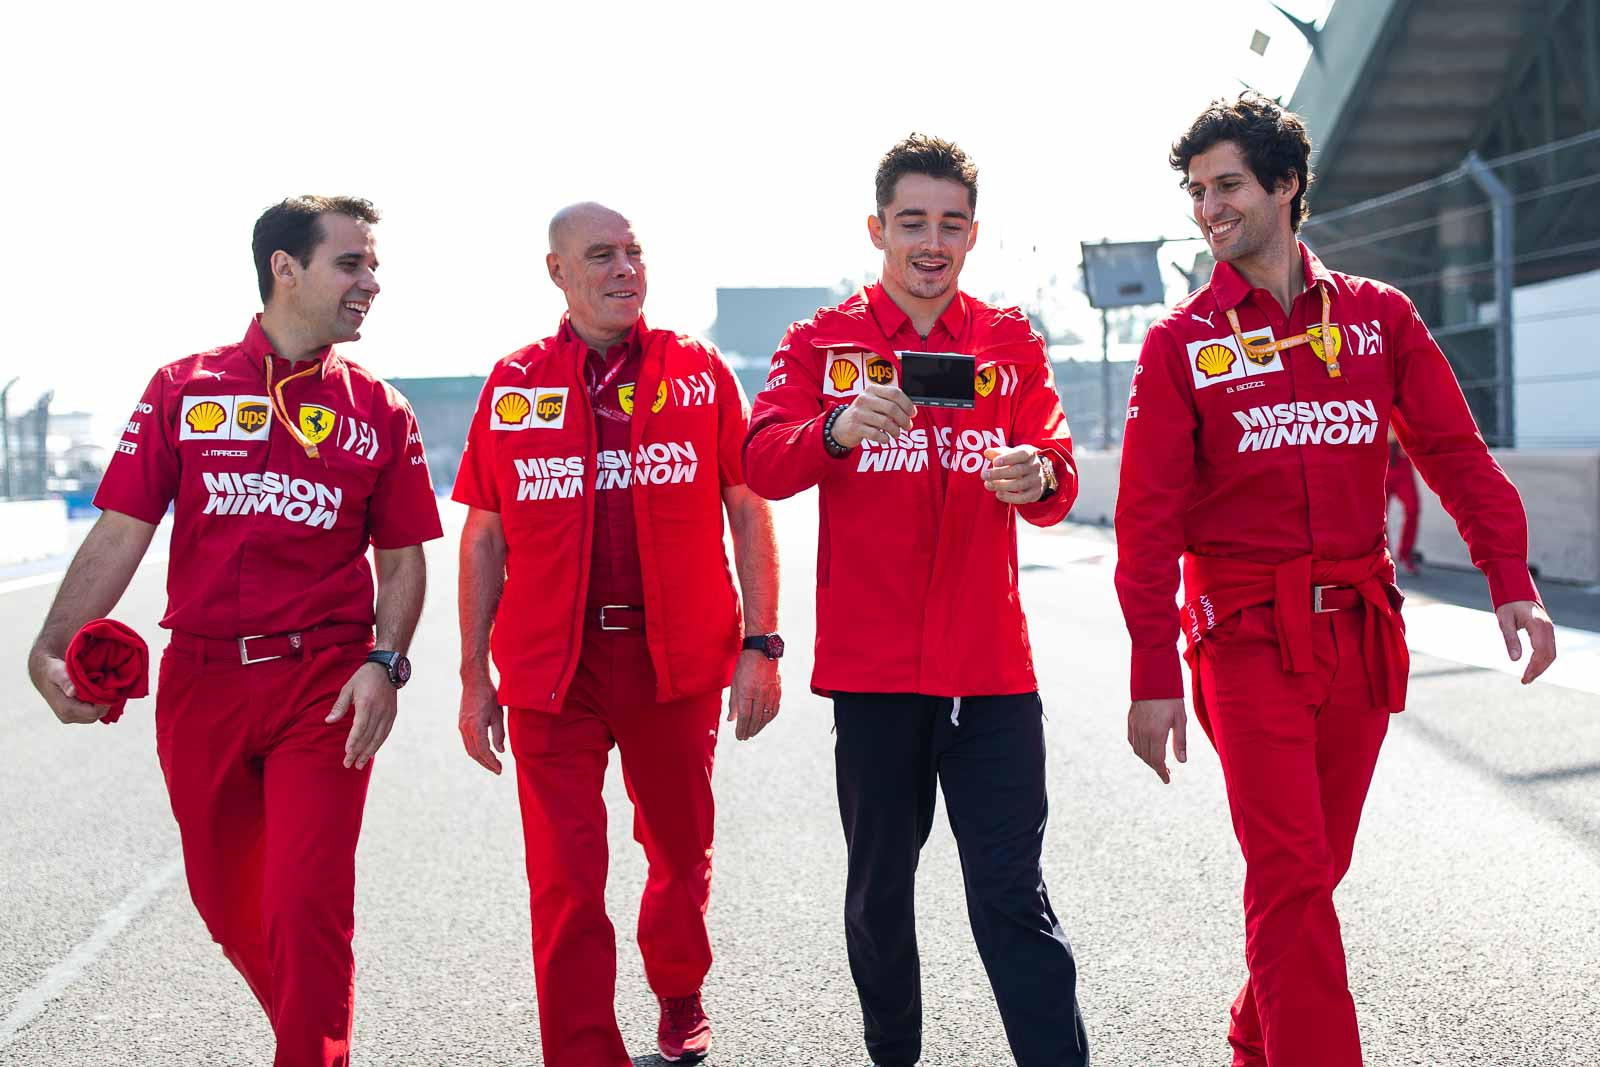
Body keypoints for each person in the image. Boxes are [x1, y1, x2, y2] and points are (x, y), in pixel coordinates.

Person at [1116, 93, 1558, 1067]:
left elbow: (1451, 447)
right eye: (1196, 192)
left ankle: (1249, 1034)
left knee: (1315, 870)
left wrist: (1507, 572)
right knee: (1289, 876)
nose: (1208, 209)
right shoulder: (1178, 343)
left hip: (1358, 633)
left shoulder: (1376, 317)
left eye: (1226, 185)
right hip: (1242, 635)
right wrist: (1152, 669)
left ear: (1285, 184)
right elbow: (1146, 523)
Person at [26, 195, 442, 1067]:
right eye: (351, 263)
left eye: (372, 264)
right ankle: (312, 1030)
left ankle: (311, 1054)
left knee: (306, 901)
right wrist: (53, 645)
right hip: (202, 684)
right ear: (283, 268)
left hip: (323, 686)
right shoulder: (183, 387)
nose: (372, 281)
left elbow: (402, 561)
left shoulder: (382, 410)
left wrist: (385, 663)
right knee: (227, 904)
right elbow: (119, 532)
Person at [743, 135, 1090, 1067]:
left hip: (991, 674)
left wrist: (1034, 472)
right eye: (912, 223)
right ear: (877, 229)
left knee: (1013, 895)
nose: (931, 242)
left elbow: (1058, 471)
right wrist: (838, 427)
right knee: (880, 895)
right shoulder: (823, 342)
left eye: (950, 224)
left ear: (973, 233)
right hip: (878, 675)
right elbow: (761, 458)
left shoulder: (1008, 340)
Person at [454, 202, 781, 1066]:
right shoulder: (513, 381)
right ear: (557, 272)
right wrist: (471, 676)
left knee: (678, 855)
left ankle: (679, 994)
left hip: (671, 660)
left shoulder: (700, 371)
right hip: (549, 670)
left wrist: (762, 640)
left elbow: (746, 509)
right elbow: (483, 534)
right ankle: (582, 1049)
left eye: (634, 252)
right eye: (601, 255)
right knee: (564, 880)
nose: (625, 269)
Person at [1386, 427, 1423, 573]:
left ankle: (1405, 554)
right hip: (1382, 461)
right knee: (1378, 514)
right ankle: (1384, 556)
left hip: (1402, 463)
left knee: (1413, 508)